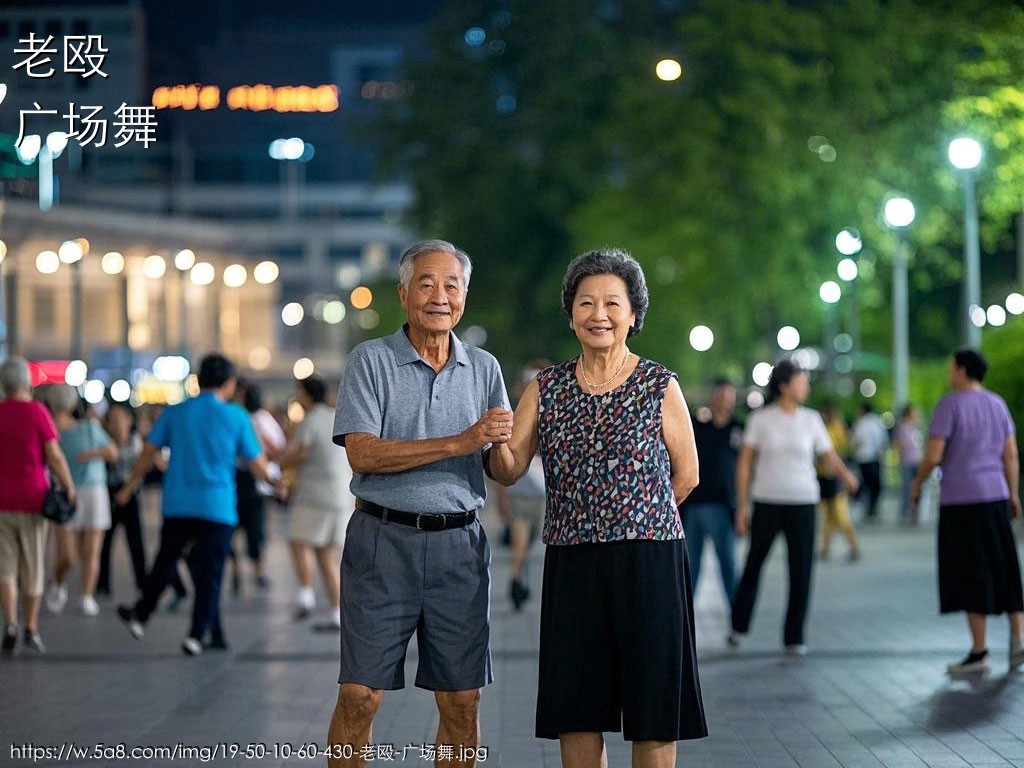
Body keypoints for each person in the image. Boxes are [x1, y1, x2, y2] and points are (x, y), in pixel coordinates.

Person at [489, 248, 707, 768]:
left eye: (613, 302)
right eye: (586, 303)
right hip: (574, 563)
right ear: (571, 315)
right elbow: (509, 467)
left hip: (648, 561)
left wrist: (635, 514)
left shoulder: (660, 384)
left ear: (633, 314)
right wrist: (493, 440)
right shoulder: (546, 388)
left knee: (653, 708)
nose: (599, 314)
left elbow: (688, 473)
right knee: (578, 708)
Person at [328, 239, 512, 767]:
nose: (440, 296)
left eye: (451, 285)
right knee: (359, 695)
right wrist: (460, 441)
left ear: (465, 296)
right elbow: (362, 454)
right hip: (381, 543)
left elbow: (497, 467)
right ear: (403, 294)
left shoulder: (484, 368)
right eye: (426, 284)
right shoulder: (372, 361)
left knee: (462, 700)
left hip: (460, 546)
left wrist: (509, 443)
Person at [115, 353, 272, 656]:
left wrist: (129, 487)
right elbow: (257, 464)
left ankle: (142, 613)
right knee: (211, 573)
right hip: (218, 507)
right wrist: (277, 482)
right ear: (228, 383)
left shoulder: (175, 413)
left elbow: (148, 453)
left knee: (165, 561)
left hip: (178, 504)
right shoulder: (236, 416)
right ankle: (196, 635)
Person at [730, 360, 858, 655]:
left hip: (803, 502)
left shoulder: (812, 419)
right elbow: (745, 463)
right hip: (767, 502)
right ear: (784, 386)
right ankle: (738, 626)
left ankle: (794, 635)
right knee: (754, 565)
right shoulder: (761, 420)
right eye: (802, 381)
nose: (806, 386)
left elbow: (828, 456)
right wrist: (742, 505)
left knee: (801, 570)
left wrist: (848, 476)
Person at [910, 348, 1024, 674]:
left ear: (962, 370)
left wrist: (917, 484)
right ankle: (1018, 637)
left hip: (961, 501)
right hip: (996, 496)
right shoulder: (997, 404)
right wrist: (1012, 493)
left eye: (951, 367)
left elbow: (933, 456)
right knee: (1004, 566)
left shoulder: (949, 405)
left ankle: (979, 651)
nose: (949, 372)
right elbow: (1011, 455)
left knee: (970, 572)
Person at [0, 357, 76, 654]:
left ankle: (9, 623)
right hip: (33, 500)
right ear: (27, 383)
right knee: (32, 565)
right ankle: (30, 628)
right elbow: (55, 456)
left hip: (1, 502)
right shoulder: (38, 413)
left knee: (4, 566)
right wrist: (68, 485)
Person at [274, 375, 353, 631]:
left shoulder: (310, 420)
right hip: (342, 496)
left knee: (299, 541)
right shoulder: (336, 417)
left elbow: (301, 452)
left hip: (315, 497)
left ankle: (305, 596)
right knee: (329, 556)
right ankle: (336, 613)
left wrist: (279, 463)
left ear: (307, 395)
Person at [45, 385, 117, 617]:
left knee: (91, 550)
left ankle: (86, 595)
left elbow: (112, 451)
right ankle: (57, 582)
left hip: (93, 490)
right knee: (67, 555)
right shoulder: (49, 429)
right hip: (64, 493)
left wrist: (90, 455)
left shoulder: (89, 428)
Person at [492, 360, 549, 611]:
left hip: (541, 497)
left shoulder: (552, 419)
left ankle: (520, 578)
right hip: (520, 495)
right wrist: (502, 500)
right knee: (520, 542)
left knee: (529, 541)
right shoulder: (515, 419)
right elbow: (503, 464)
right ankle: (516, 582)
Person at [682, 378, 742, 607]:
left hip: (724, 505)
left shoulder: (737, 428)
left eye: (729, 395)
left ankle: (736, 619)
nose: (725, 400)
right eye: (721, 394)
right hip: (694, 503)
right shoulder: (697, 426)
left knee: (728, 563)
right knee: (690, 564)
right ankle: (685, 616)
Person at [229, 381, 285, 595]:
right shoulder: (262, 419)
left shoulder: (245, 417)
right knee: (255, 529)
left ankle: (242, 571)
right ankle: (256, 571)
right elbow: (277, 446)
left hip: (247, 478)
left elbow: (274, 447)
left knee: (241, 528)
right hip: (255, 481)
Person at [97, 403, 148, 599]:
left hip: (130, 493)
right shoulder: (103, 442)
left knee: (136, 540)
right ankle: (102, 583)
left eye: (120, 418)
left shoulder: (136, 442)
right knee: (105, 541)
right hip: (109, 493)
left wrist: (127, 491)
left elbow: (140, 470)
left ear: (129, 420)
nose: (117, 423)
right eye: (112, 419)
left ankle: (142, 582)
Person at [817, 403, 860, 561]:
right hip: (822, 476)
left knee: (841, 515)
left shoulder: (837, 428)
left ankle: (854, 546)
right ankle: (825, 548)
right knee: (828, 516)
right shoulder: (819, 428)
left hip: (836, 476)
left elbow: (840, 450)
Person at [851, 402, 888, 522]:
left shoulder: (860, 423)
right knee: (875, 485)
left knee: (864, 484)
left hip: (862, 458)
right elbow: (882, 441)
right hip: (875, 458)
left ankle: (863, 508)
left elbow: (855, 442)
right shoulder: (877, 422)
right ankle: (873, 509)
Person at [893, 404, 923, 524]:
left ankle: (914, 512)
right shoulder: (902, 428)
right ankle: (905, 512)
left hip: (917, 461)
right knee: (906, 488)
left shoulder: (915, 428)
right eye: (914, 412)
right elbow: (899, 445)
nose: (916, 415)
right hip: (907, 461)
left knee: (917, 487)